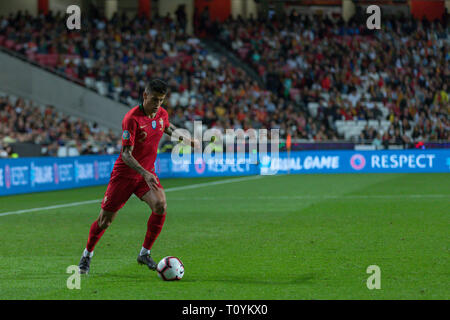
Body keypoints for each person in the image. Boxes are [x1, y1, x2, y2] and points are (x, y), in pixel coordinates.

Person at [78, 79, 196, 274]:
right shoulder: (132, 119)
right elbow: (126, 154)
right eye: (155, 99)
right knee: (105, 221)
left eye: (161, 100)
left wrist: (186, 138)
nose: (158, 104)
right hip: (125, 175)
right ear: (145, 96)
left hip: (145, 175)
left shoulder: (161, 114)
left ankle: (144, 253)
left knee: (160, 205)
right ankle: (87, 255)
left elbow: (167, 126)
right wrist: (145, 172)